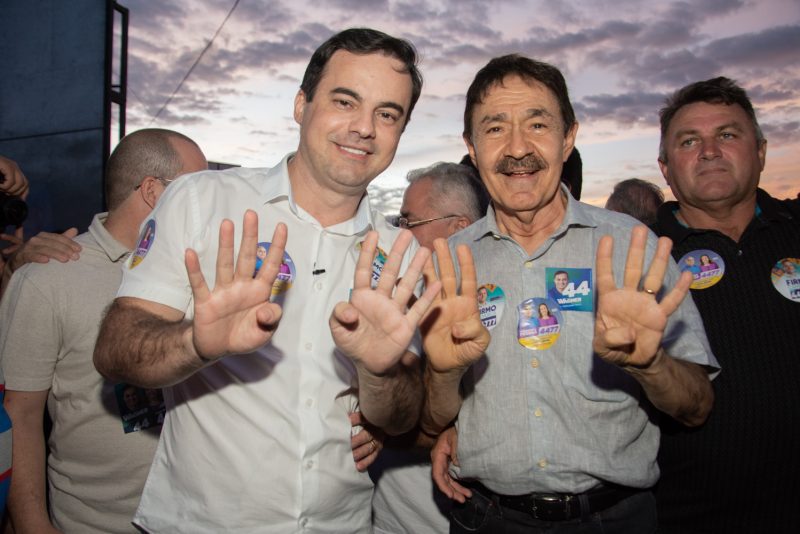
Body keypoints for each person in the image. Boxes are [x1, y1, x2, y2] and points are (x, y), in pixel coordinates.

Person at [92, 28, 476, 533]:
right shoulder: (202, 201)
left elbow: (401, 420)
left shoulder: (399, 256)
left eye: (387, 114)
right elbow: (115, 348)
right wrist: (196, 343)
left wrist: (381, 373)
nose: (364, 127)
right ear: (301, 105)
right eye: (345, 101)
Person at [425, 54, 718, 533]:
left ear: (568, 138)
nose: (518, 148)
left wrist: (649, 365)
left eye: (537, 124)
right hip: (485, 518)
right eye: (495, 128)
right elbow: (428, 417)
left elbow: (698, 406)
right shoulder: (445, 264)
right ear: (472, 149)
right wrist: (443, 378)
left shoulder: (634, 247)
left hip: (615, 519)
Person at [0, 129, 208, 533]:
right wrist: (33, 526)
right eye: (196, 189)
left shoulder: (202, 271)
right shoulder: (50, 278)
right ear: (153, 191)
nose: (208, 204)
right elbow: (21, 416)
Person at [652, 76, 800, 533]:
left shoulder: (796, 231)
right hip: (687, 517)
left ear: (760, 151)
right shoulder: (639, 256)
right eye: (689, 140)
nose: (709, 151)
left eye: (728, 135)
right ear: (665, 167)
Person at [371, 161, 488, 534]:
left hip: (460, 517)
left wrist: (382, 428)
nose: (399, 236)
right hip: (389, 519)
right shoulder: (391, 296)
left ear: (459, 229)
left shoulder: (495, 304)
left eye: (409, 224)